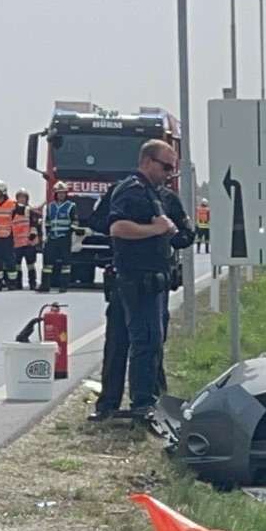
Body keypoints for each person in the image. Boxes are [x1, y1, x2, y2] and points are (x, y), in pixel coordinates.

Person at [94, 138, 191, 423]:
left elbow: (184, 235)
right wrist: (155, 229)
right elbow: (116, 227)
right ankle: (141, 405)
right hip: (137, 279)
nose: (169, 173)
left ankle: (119, 403)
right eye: (166, 167)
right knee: (143, 342)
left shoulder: (158, 194)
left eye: (173, 169)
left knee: (135, 341)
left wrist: (172, 232)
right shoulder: (132, 191)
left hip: (149, 280)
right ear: (147, 162)